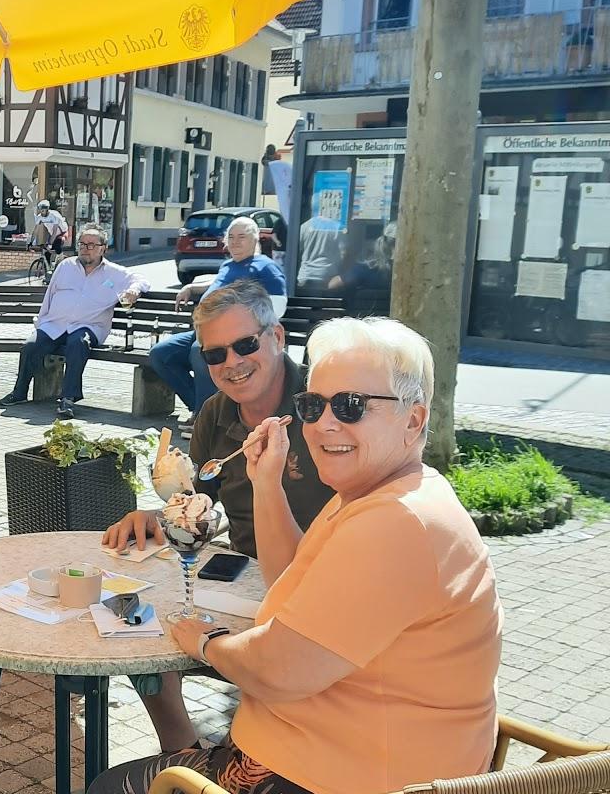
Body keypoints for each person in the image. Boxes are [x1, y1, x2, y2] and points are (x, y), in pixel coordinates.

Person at [94, 317, 503, 794]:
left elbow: (279, 671)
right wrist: (266, 479)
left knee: (108, 786)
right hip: (349, 754)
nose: (326, 422)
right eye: (314, 405)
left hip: (342, 776)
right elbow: (291, 577)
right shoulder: (384, 493)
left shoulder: (395, 520)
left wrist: (205, 642)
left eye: (351, 406)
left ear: (413, 420)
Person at [104, 280, 333, 752]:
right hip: (242, 577)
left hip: (317, 590)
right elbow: (199, 498)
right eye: (215, 354)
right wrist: (158, 513)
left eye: (245, 344)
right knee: (137, 619)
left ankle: (253, 758)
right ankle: (183, 752)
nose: (232, 363)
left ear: (278, 338)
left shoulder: (324, 409)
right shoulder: (214, 412)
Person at [149, 217, 288, 432]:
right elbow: (218, 282)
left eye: (242, 237)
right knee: (161, 354)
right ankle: (204, 411)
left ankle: (204, 420)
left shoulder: (265, 267)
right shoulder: (229, 265)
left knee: (200, 352)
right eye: (231, 237)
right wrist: (192, 287)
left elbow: (278, 304)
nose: (235, 242)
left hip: (231, 338)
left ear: (255, 239)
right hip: (202, 332)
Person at [0, 223, 149, 419]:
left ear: (103, 248)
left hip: (88, 326)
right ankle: (19, 392)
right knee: (30, 346)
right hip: (56, 324)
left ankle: (68, 399)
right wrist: (42, 323)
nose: (85, 249)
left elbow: (141, 280)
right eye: (82, 244)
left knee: (77, 344)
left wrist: (134, 290)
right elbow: (50, 296)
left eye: (91, 245)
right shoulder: (65, 266)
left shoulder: (113, 272)